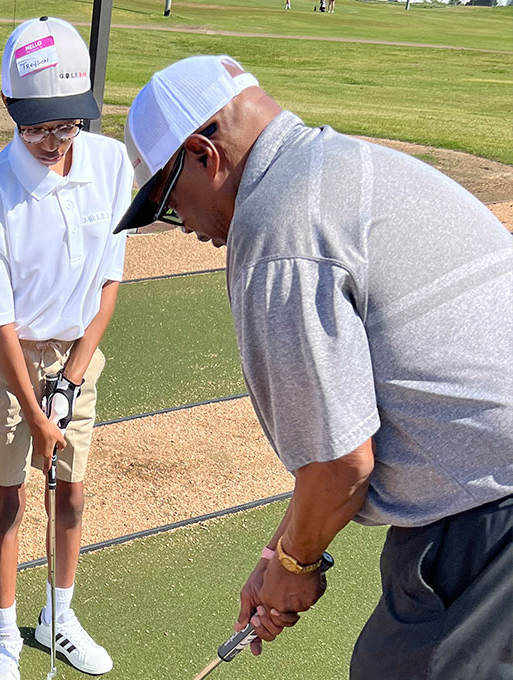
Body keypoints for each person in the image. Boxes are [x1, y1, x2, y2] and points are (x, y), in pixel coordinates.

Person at [114, 55, 513, 679]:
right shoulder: (340, 163)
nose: (182, 225)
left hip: (490, 509)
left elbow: (341, 465)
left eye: (166, 202)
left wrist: (295, 566)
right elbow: (341, 438)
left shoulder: (278, 233)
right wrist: (280, 552)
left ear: (203, 154)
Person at [0, 16, 132, 680]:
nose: (53, 142)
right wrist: (35, 409)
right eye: (36, 128)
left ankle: (57, 616)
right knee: (9, 499)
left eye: (66, 126)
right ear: (10, 109)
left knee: (71, 493)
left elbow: (109, 281)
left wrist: (72, 379)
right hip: (11, 361)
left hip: (77, 354)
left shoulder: (110, 164)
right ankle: (5, 634)